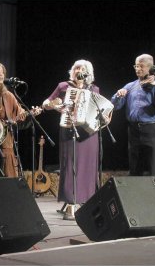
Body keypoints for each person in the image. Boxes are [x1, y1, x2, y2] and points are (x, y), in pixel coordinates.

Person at [42, 60, 100, 220]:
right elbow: (46, 103)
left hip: (89, 134)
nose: (78, 71)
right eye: (76, 68)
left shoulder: (94, 89)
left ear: (88, 73)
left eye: (82, 69)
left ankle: (87, 203)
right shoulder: (63, 87)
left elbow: (99, 109)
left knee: (88, 167)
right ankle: (70, 205)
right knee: (70, 166)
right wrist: (54, 105)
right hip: (69, 130)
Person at [111, 54, 155, 179]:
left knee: (153, 166)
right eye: (136, 66)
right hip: (133, 130)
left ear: (150, 68)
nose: (137, 69)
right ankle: (136, 197)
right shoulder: (130, 86)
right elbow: (115, 106)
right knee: (135, 167)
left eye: (141, 66)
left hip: (150, 129)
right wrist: (118, 95)